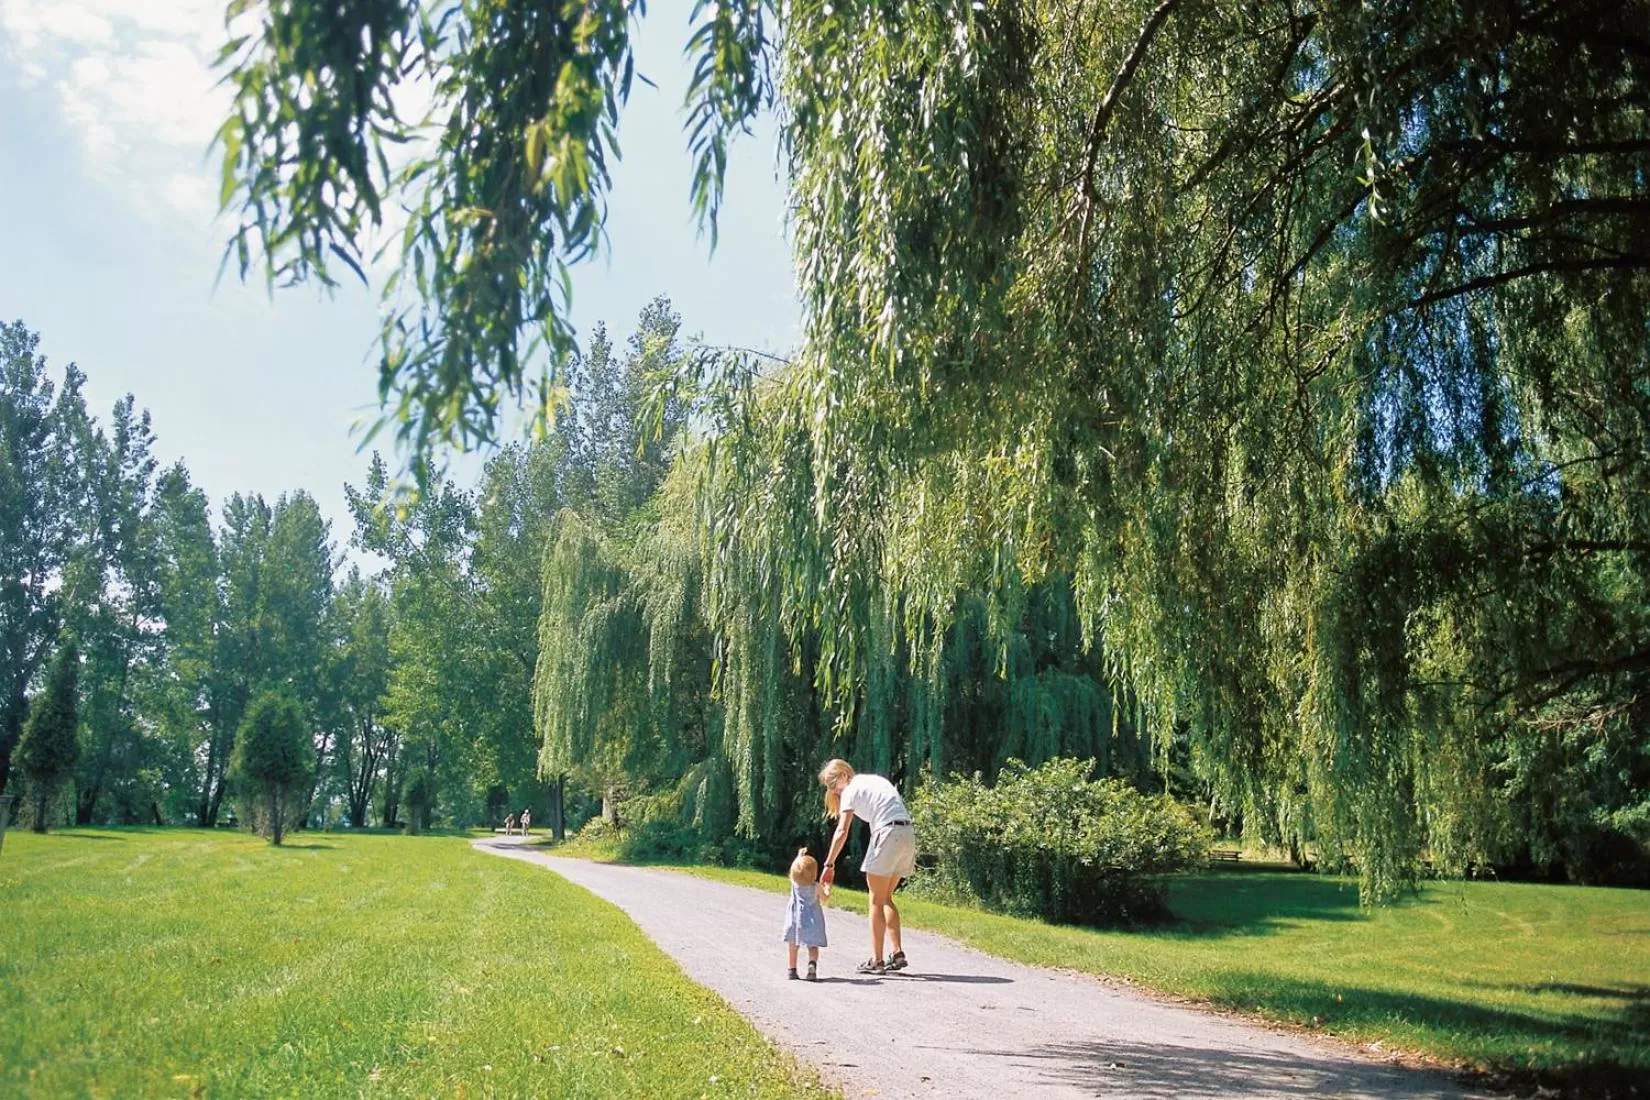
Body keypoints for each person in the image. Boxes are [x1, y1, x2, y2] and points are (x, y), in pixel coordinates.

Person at [818, 759, 916, 975]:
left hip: (887, 833)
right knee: (886, 897)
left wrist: (829, 864)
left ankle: (877, 960)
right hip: (907, 833)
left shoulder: (851, 789)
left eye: (833, 783)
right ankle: (897, 953)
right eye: (830, 786)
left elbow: (842, 831)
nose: (834, 790)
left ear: (844, 775)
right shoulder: (873, 780)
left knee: (875, 900)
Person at [780, 848, 828, 981]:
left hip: (795, 920)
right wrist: (827, 888)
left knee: (793, 944)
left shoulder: (795, 885)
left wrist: (798, 857)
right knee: (812, 945)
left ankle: (792, 969)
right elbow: (824, 898)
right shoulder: (816, 886)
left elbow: (794, 870)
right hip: (812, 921)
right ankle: (812, 966)